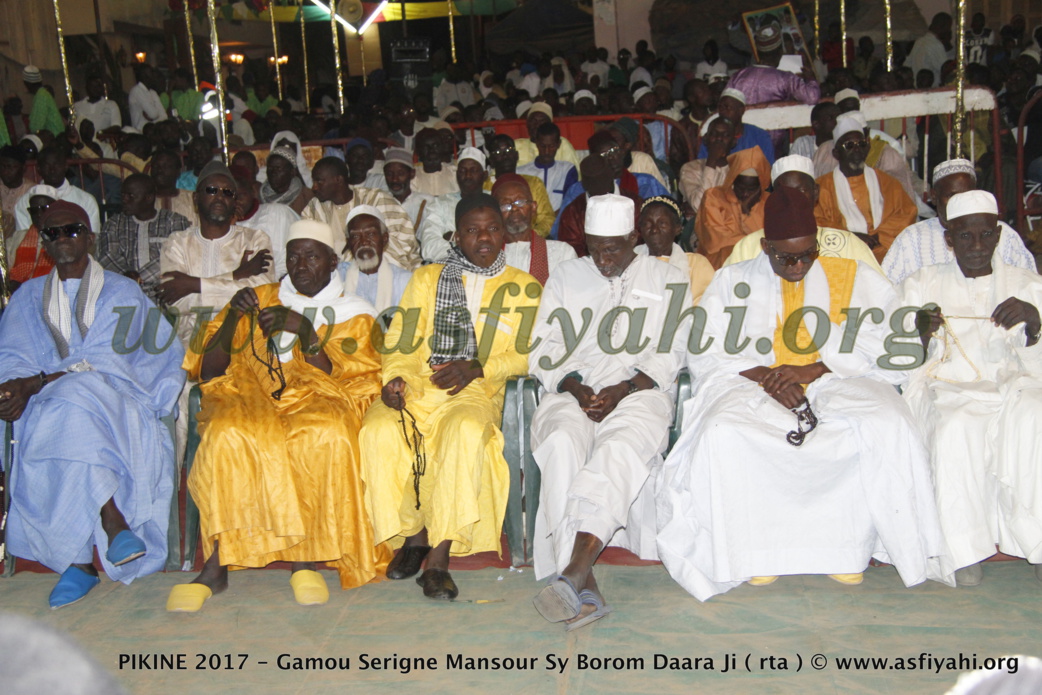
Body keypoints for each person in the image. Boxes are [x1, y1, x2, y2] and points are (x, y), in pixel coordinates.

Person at [656, 186, 951, 601]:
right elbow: (706, 349)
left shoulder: (854, 276)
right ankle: (756, 553)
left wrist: (813, 369)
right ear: (764, 247)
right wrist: (771, 377)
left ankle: (846, 551)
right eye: (785, 257)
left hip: (838, 377)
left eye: (807, 254)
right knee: (724, 433)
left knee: (885, 423)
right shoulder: (732, 280)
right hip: (753, 380)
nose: (798, 266)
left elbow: (884, 342)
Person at [166, 219, 388, 612]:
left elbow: (351, 383)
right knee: (226, 434)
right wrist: (233, 317)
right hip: (249, 394)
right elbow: (211, 370)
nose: (301, 265)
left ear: (333, 261)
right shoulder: (261, 297)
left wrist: (306, 332)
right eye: (294, 256)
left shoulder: (355, 313)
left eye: (312, 256)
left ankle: (306, 559)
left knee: (323, 434)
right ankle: (217, 564)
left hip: (317, 399)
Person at [0, 201, 185, 609]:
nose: (62, 238)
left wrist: (39, 381)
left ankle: (80, 563)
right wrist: (12, 389)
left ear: (89, 237)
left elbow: (108, 360)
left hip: (115, 398)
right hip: (46, 404)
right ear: (44, 243)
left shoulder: (123, 291)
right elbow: (12, 357)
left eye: (71, 229)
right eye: (52, 232)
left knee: (76, 396)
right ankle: (112, 520)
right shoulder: (27, 296)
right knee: (66, 406)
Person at [359, 193, 540, 600]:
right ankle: (414, 536)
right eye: (473, 230)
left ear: (504, 235)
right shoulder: (426, 279)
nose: (485, 238)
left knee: (463, 432)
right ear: (456, 237)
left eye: (493, 228)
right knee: (378, 429)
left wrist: (478, 367)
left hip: (475, 390)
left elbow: (528, 353)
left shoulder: (523, 287)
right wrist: (397, 379)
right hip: (422, 384)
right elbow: (400, 340)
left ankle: (439, 555)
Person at [529, 193, 691, 630]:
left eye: (613, 247)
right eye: (594, 245)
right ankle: (584, 579)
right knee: (561, 441)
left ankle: (574, 572)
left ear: (634, 238)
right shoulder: (566, 276)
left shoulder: (668, 277)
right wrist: (575, 387)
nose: (602, 257)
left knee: (619, 447)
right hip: (573, 392)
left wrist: (624, 387)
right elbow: (543, 348)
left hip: (639, 391)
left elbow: (672, 351)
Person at [900, 190, 1042, 586]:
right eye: (965, 237)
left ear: (998, 236)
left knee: (1036, 415)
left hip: (1017, 386)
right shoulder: (921, 284)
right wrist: (919, 335)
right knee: (956, 426)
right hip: (951, 387)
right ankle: (963, 550)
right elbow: (893, 351)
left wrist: (1034, 324)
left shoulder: (1029, 284)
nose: (977, 247)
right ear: (949, 239)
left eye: (985, 236)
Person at [157, 161, 276, 347]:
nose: (220, 197)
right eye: (212, 190)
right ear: (195, 198)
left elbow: (260, 294)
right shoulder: (176, 243)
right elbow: (177, 304)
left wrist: (194, 284)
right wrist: (235, 276)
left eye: (228, 192)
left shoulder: (255, 240)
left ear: (234, 201)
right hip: (190, 346)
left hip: (245, 343)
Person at [883, 160, 1035, 285]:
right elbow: (887, 291)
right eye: (953, 196)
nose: (962, 202)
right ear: (934, 197)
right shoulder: (911, 239)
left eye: (967, 194)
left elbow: (1030, 285)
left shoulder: (1005, 235)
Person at [725, 154, 883, 272]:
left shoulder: (848, 244)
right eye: (785, 191)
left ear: (815, 193)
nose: (793, 198)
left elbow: (877, 291)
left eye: (801, 190)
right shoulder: (748, 246)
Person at [815, 112, 917, 264]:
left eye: (861, 144)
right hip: (842, 256)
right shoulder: (821, 187)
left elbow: (907, 213)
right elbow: (816, 222)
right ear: (836, 153)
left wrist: (878, 237)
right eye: (849, 145)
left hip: (885, 254)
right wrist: (851, 237)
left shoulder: (888, 183)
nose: (856, 149)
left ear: (868, 148)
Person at [303, 156, 420, 271]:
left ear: (338, 180)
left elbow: (403, 244)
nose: (314, 187)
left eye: (319, 181)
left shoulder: (376, 199)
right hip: (336, 276)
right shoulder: (314, 208)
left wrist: (351, 256)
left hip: (390, 271)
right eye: (313, 181)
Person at [552, 130, 669, 240]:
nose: (612, 158)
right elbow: (560, 231)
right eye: (604, 155)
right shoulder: (578, 189)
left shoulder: (646, 182)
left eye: (614, 150)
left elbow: (668, 216)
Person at [97, 174, 190, 302]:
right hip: (125, 293)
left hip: (166, 294)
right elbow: (107, 257)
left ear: (149, 198)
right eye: (123, 195)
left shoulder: (174, 221)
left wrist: (139, 278)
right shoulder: (114, 224)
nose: (124, 199)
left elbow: (175, 258)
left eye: (131, 196)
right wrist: (127, 278)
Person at [695, 145, 771, 269]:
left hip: (761, 263)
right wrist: (755, 242)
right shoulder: (713, 197)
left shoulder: (769, 202)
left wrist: (748, 209)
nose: (745, 193)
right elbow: (715, 240)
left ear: (760, 186)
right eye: (741, 187)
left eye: (751, 189)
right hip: (719, 264)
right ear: (732, 181)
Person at [491, 174, 575, 285]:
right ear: (495, 213)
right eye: (506, 205)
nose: (514, 209)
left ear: (533, 207)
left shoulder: (562, 253)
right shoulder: (488, 257)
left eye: (520, 202)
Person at [556, 154, 641, 258]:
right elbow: (571, 252)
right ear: (584, 184)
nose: (598, 185)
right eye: (594, 182)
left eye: (601, 180)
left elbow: (643, 244)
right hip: (589, 270)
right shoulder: (573, 213)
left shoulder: (635, 204)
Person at [637, 195, 715, 303]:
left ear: (677, 228)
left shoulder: (695, 264)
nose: (654, 230)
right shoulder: (629, 262)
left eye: (662, 223)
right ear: (640, 228)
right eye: (648, 224)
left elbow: (706, 308)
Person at [341, 205, 413, 319]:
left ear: (384, 239)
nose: (363, 242)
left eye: (370, 234)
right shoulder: (338, 277)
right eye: (355, 236)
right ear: (349, 243)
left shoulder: (404, 281)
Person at [418, 147, 488, 263]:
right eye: (462, 171)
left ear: (485, 175)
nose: (467, 176)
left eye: (473, 170)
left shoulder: (495, 201)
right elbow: (429, 245)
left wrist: (454, 239)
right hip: (449, 267)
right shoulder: (440, 203)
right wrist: (463, 255)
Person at [231, 164, 299, 279]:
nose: (237, 201)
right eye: (231, 196)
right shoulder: (221, 228)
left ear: (253, 191)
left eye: (241, 195)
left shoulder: (278, 212)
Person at [14, 145, 100, 233]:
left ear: (66, 166)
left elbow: (93, 239)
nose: (52, 170)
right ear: (39, 169)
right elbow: (22, 239)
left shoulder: (86, 201)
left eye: (57, 164)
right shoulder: (25, 202)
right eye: (47, 165)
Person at [484, 133, 555, 237]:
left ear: (516, 155)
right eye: (498, 152)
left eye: (509, 150)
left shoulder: (534, 183)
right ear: (491, 161)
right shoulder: (484, 187)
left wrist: (528, 237)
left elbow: (547, 218)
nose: (505, 155)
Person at [696, 88, 775, 164]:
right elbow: (701, 165)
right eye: (720, 107)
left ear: (741, 110)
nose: (722, 111)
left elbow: (767, 168)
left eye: (727, 107)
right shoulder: (713, 136)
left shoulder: (760, 136)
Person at [678, 115, 737, 212]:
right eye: (714, 134)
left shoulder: (739, 169)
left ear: (734, 142)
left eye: (725, 135)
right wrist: (711, 161)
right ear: (705, 139)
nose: (719, 139)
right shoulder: (690, 168)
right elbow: (699, 206)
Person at [518, 122, 579, 213]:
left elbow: (570, 202)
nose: (547, 151)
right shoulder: (522, 172)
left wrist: (550, 220)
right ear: (537, 143)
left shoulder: (567, 170)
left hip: (559, 222)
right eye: (543, 146)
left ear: (558, 144)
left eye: (551, 146)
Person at [8, 187, 56, 287]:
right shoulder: (18, 237)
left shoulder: (63, 239)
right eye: (34, 210)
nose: (39, 214)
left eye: (44, 208)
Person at [514, 103, 582, 170]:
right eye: (534, 120)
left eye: (542, 121)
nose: (537, 125)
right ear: (527, 123)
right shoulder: (517, 145)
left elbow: (574, 172)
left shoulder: (562, 144)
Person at [383, 147, 435, 232]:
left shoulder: (427, 202)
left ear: (412, 174)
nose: (394, 179)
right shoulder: (378, 201)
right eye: (389, 174)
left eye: (400, 174)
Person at [261, 146, 315, 215]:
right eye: (270, 168)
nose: (273, 172)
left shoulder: (306, 197)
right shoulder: (259, 196)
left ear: (292, 172)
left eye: (278, 168)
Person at [151, 149, 198, 225]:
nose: (159, 170)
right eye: (156, 166)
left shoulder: (193, 199)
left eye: (165, 166)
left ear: (178, 172)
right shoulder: (144, 202)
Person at [411, 128, 458, 197]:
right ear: (418, 152)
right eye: (426, 147)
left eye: (435, 146)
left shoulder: (455, 174)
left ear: (442, 147)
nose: (431, 151)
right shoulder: (412, 178)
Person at [909, 13, 953, 88]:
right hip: (930, 89)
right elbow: (946, 70)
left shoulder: (919, 41)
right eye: (949, 27)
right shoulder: (935, 44)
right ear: (944, 27)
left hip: (917, 87)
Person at [22, 66, 63, 137]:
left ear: (27, 84)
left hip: (55, 139)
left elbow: (36, 126)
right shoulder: (42, 94)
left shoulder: (41, 96)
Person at [1, 144, 32, 233]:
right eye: (3, 166)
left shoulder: (31, 191)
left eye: (11, 167)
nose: (6, 172)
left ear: (23, 168)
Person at [128, 65, 167, 132]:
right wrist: (155, 115)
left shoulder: (153, 92)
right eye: (151, 73)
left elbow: (164, 116)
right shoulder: (137, 91)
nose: (154, 77)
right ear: (144, 76)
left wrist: (153, 118)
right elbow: (153, 114)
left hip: (155, 131)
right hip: (140, 132)